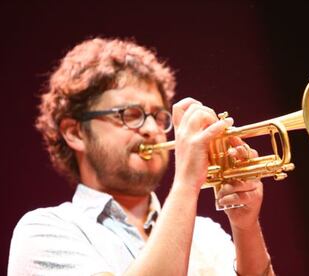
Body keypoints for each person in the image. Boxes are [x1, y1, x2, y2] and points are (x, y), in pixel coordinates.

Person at [8, 37, 275, 276]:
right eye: (129, 115)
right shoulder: (46, 231)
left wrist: (245, 226)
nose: (151, 129)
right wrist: (186, 183)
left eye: (158, 117)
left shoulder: (205, 233)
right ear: (75, 133)